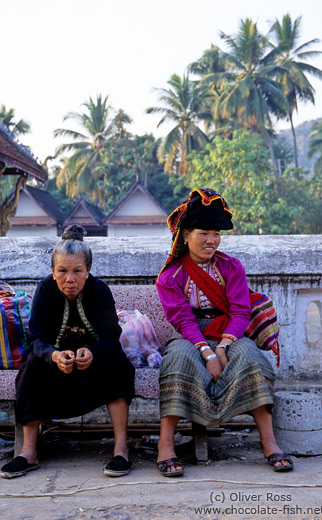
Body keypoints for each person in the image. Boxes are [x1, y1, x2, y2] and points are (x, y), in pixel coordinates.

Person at [156, 188, 293, 477]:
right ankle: (165, 445)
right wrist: (206, 352)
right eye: (204, 233)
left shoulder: (231, 267)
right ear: (185, 235)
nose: (211, 240)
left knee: (252, 359)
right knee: (177, 362)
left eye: (216, 233)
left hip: (230, 329)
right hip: (189, 333)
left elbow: (242, 311)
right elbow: (181, 319)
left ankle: (269, 443)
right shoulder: (171, 276)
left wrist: (222, 347)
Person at [0, 225, 135, 479]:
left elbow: (111, 337)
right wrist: (53, 355)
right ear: (53, 271)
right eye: (62, 271)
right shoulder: (45, 290)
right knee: (30, 368)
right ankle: (28, 452)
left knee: (119, 364)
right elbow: (36, 337)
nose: (69, 279)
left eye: (77, 271)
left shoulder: (99, 291)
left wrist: (93, 353)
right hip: (55, 365)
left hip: (94, 364)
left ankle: (121, 449)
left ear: (88, 271)